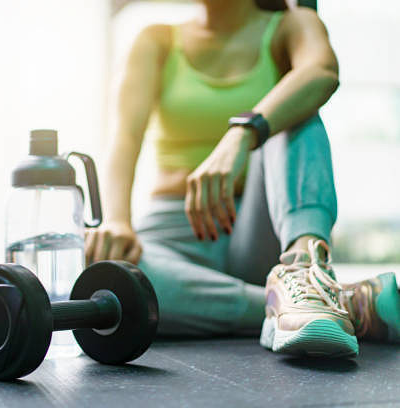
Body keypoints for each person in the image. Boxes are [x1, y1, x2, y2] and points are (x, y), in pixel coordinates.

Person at [85, 0, 400, 356]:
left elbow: (321, 72)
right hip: (174, 234)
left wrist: (243, 133)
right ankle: (325, 306)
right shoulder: (156, 41)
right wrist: (117, 221)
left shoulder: (289, 25)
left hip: (261, 228)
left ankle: (304, 268)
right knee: (108, 273)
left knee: (298, 109)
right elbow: (124, 138)